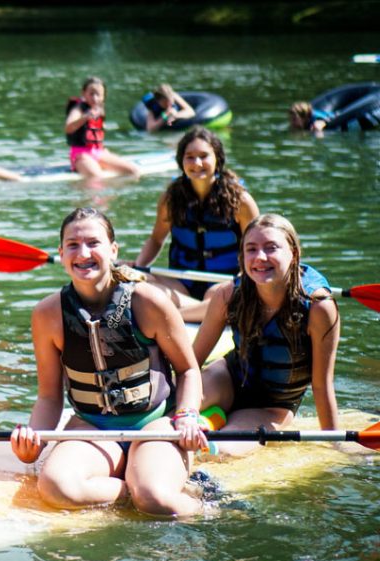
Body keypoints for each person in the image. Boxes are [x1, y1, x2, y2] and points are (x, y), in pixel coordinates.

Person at [11, 207, 207, 517]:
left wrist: (187, 416)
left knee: (155, 499)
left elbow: (188, 370)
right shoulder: (47, 314)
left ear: (113, 250)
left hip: (155, 423)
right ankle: (133, 486)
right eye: (73, 245)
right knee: (56, 488)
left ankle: (205, 507)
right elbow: (49, 396)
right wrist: (34, 439)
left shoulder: (149, 301)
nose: (83, 252)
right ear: (61, 254)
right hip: (93, 427)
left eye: (93, 242)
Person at [193, 214, 340, 457]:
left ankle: (215, 420)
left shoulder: (318, 307)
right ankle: (211, 416)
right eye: (251, 249)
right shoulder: (228, 294)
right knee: (175, 410)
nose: (260, 257)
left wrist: (335, 444)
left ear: (293, 252)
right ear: (242, 257)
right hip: (229, 377)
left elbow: (322, 385)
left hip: (274, 406)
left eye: (271, 248)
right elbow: (191, 361)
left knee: (219, 453)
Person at [131, 126, 260, 322]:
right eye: (189, 157)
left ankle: (173, 316)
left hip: (223, 284)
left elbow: (256, 247)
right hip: (181, 285)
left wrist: (245, 278)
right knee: (136, 283)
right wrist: (138, 267)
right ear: (181, 161)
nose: (197, 163)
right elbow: (156, 240)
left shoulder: (241, 201)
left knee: (223, 296)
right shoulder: (171, 198)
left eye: (203, 156)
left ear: (218, 159)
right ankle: (204, 313)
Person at [64, 77, 141, 181]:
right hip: (81, 155)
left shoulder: (99, 109)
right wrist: (84, 117)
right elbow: (68, 128)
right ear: (83, 93)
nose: (95, 98)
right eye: (91, 94)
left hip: (99, 152)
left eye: (98, 94)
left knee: (134, 171)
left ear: (103, 96)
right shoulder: (78, 109)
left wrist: (103, 150)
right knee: (97, 178)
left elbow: (95, 133)